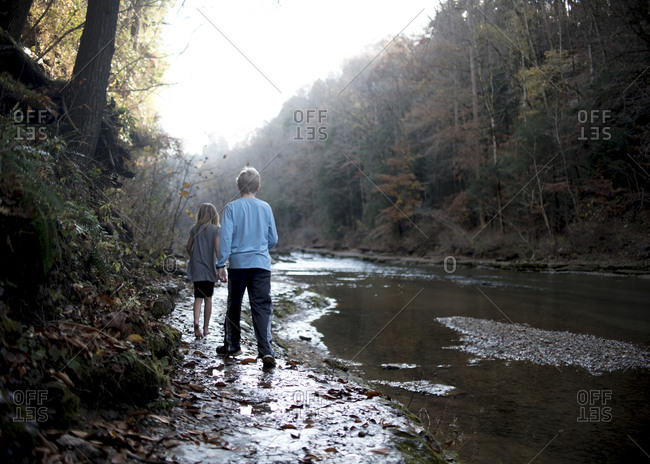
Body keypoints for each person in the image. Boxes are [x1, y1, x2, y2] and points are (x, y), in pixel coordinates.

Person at [216, 167, 278, 369]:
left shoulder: (232, 208)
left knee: (234, 304)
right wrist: (260, 250)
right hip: (261, 265)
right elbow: (273, 239)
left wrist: (221, 264)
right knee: (261, 306)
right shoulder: (266, 207)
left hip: (238, 265)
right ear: (258, 187)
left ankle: (232, 345)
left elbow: (225, 239)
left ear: (238, 186)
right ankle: (266, 350)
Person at [186, 203, 220, 339]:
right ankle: (206, 328)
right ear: (213, 214)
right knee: (208, 298)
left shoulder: (194, 229)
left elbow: (188, 247)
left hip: (197, 267)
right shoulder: (216, 229)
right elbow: (217, 248)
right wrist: (221, 264)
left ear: (200, 214)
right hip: (210, 268)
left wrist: (194, 257)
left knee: (198, 298)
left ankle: (196, 322)